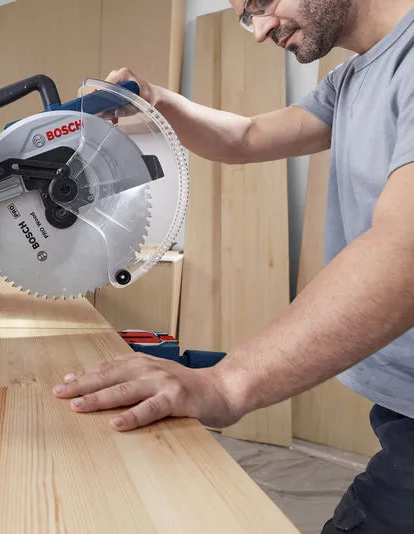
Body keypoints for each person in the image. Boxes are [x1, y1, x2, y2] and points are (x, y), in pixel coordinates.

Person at [53, 1, 414, 532]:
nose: (260, 31)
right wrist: (156, 101)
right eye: (247, 14)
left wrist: (225, 385)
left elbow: (405, 248)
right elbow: (245, 137)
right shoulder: (351, 78)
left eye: (263, 3)